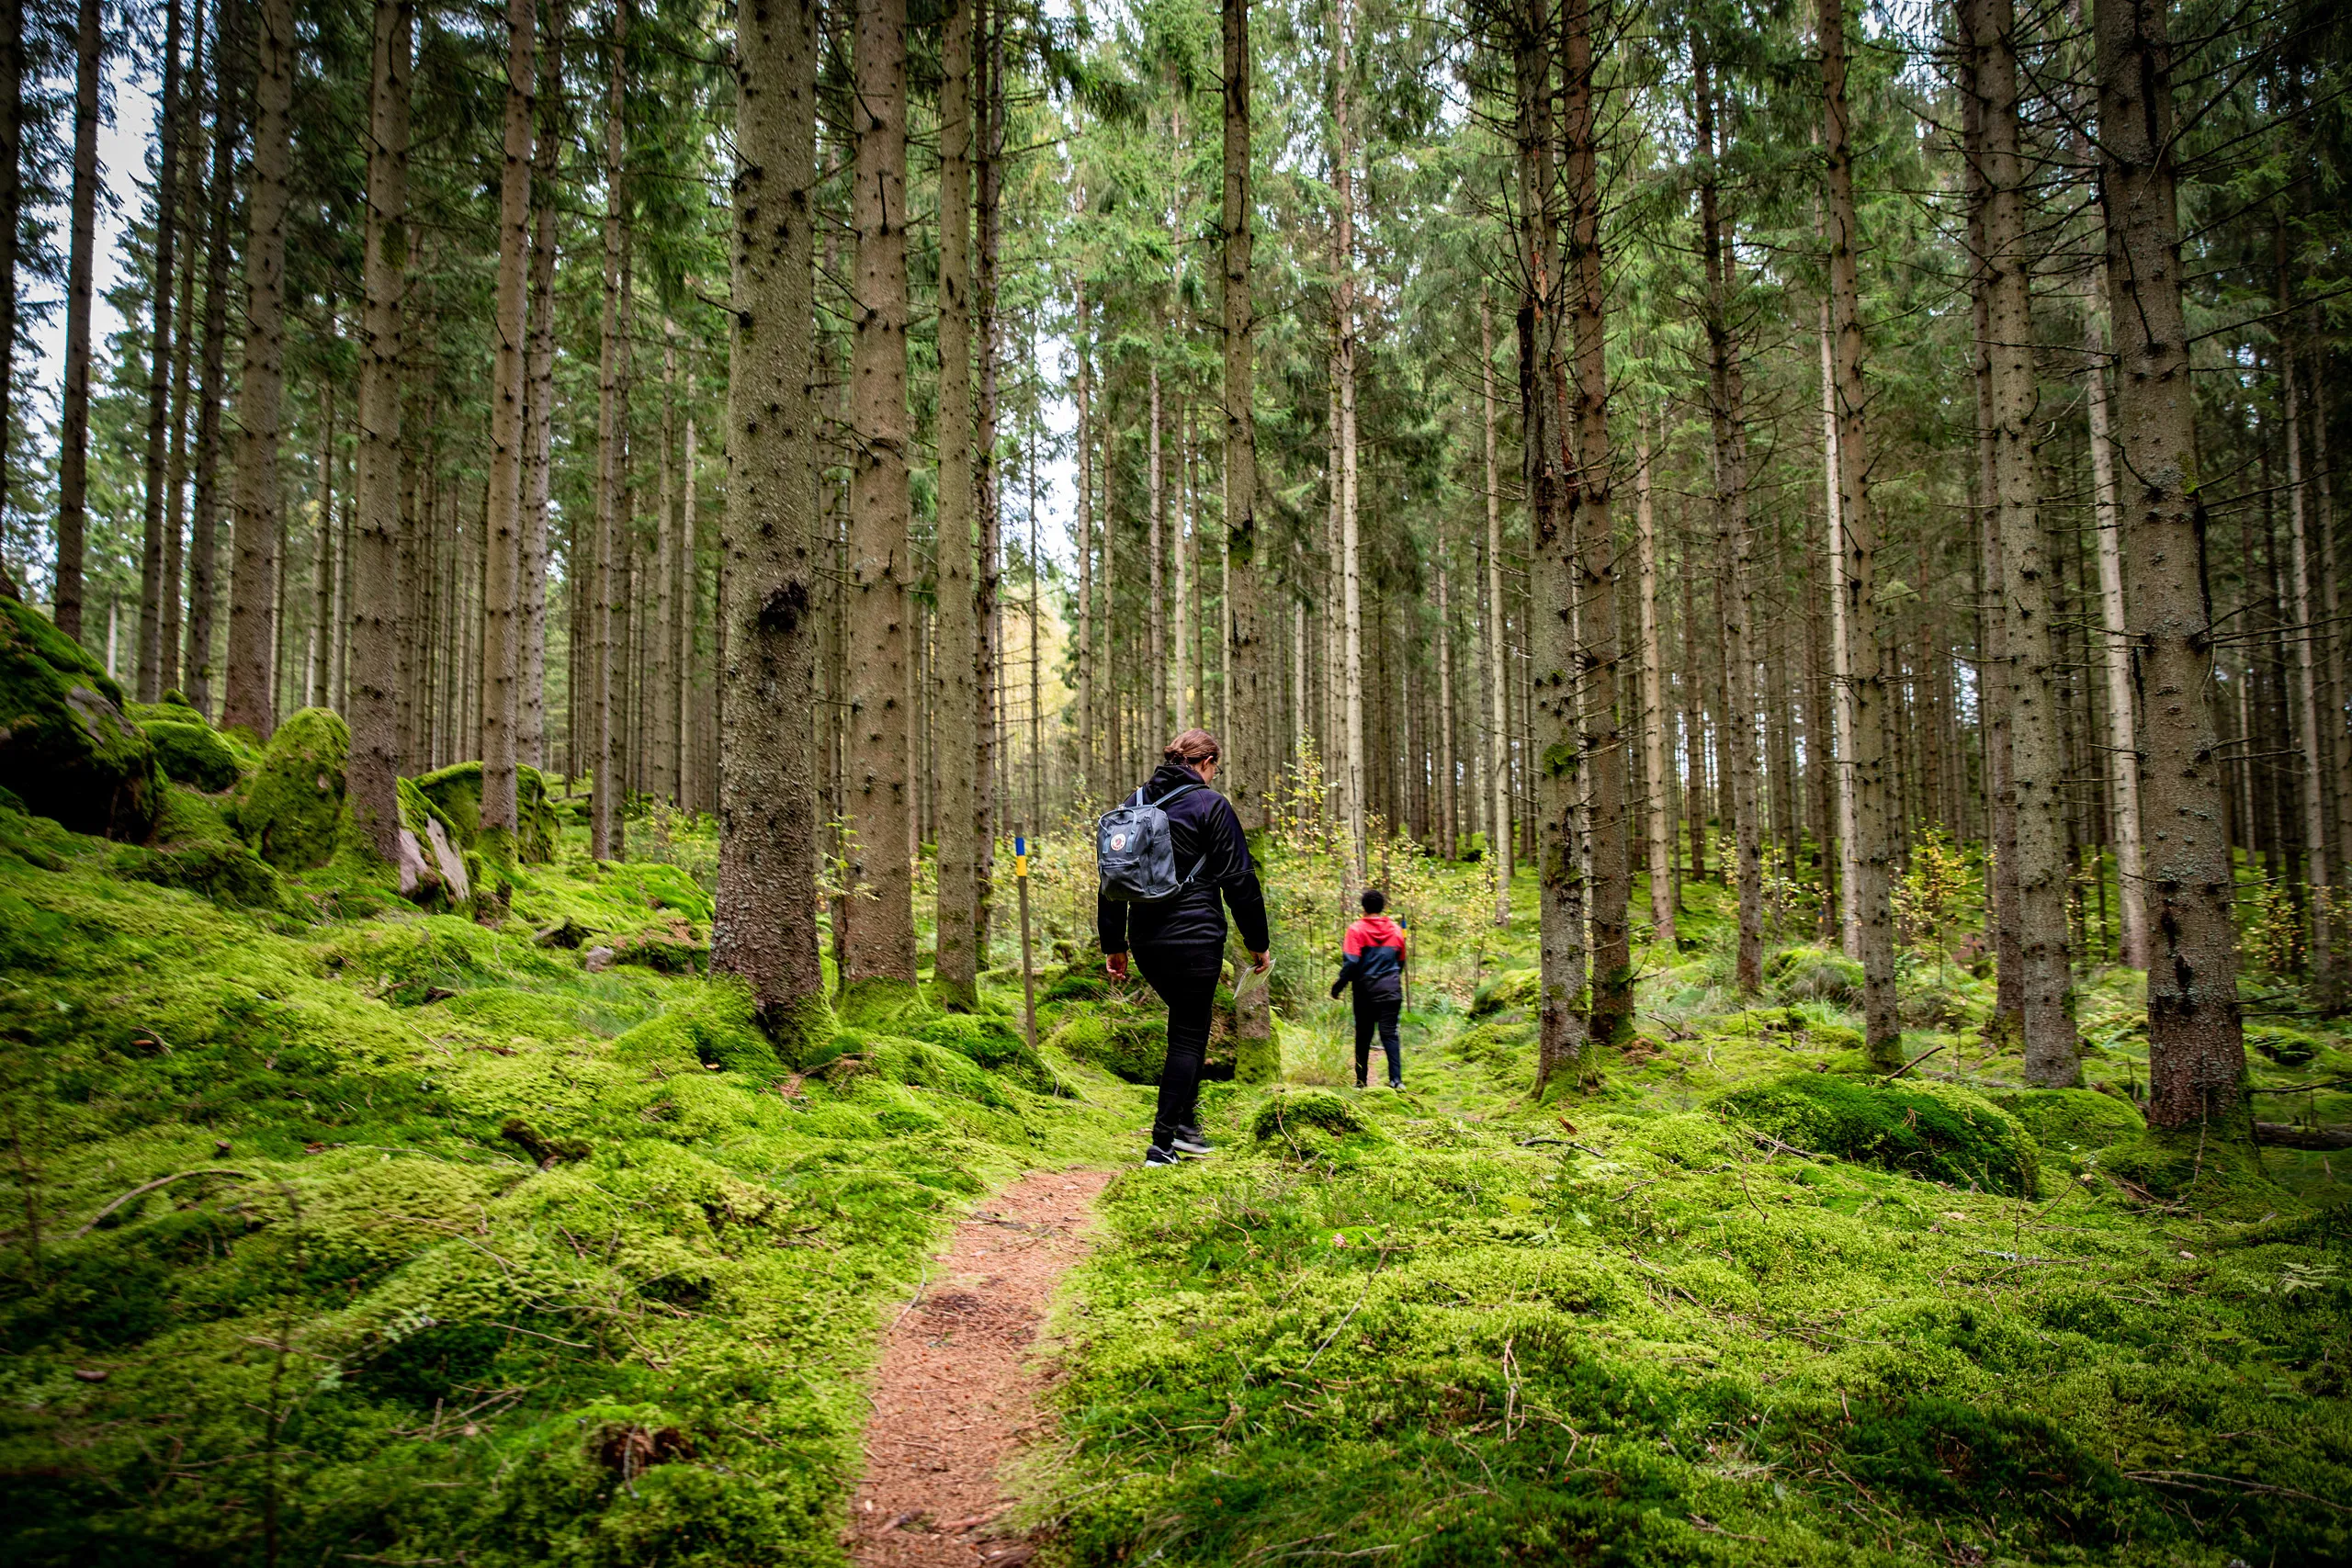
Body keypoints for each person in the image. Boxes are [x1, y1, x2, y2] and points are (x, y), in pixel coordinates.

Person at [1101, 728, 1272, 1167]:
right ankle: (1163, 1144)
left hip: (1146, 940)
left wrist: (1114, 943)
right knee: (1188, 1035)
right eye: (1214, 768)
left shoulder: (1134, 803)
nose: (1214, 776)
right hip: (1195, 935)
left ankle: (1187, 1127)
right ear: (1206, 763)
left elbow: (1110, 876)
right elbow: (1239, 879)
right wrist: (1258, 944)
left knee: (1185, 1028)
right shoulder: (1209, 805)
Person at [1330, 888, 1408, 1089]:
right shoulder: (1396, 930)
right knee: (1390, 1034)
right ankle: (1396, 1081)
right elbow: (1401, 962)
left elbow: (1351, 963)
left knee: (1363, 1036)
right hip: (1391, 990)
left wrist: (1339, 985)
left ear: (1363, 908)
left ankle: (1361, 1082)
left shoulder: (1356, 930)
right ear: (1382, 907)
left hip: (1365, 992)